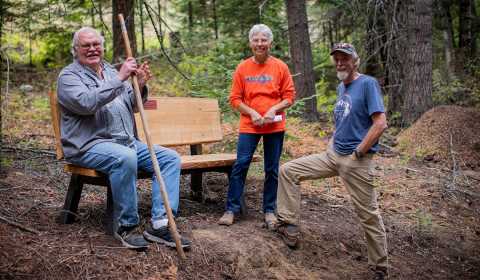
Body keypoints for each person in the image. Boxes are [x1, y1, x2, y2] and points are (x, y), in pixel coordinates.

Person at [57, 27, 191, 250]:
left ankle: (160, 225)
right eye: (86, 45)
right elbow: (86, 103)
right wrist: (120, 78)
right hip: (89, 145)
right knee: (125, 157)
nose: (92, 49)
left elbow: (130, 104)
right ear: (75, 49)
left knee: (169, 158)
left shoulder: (109, 71)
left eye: (96, 44)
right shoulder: (69, 77)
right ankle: (125, 226)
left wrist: (138, 85)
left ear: (102, 46)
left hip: (126, 141)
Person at [275, 43, 389, 279]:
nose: (339, 62)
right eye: (336, 59)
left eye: (344, 58)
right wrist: (333, 144)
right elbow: (344, 120)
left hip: (356, 160)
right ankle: (290, 226)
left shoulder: (367, 84)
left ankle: (379, 267)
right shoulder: (341, 87)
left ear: (354, 60)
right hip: (332, 155)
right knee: (288, 170)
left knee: (368, 214)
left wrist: (357, 153)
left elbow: (380, 124)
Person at [218, 24, 295, 227]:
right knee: (241, 165)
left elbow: (289, 96)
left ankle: (269, 210)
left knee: (271, 169)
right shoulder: (243, 68)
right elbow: (234, 99)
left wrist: (273, 110)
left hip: (274, 126)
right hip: (249, 125)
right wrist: (252, 112)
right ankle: (231, 209)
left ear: (270, 43)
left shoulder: (280, 67)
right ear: (250, 43)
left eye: (263, 40)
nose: (260, 44)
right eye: (256, 40)